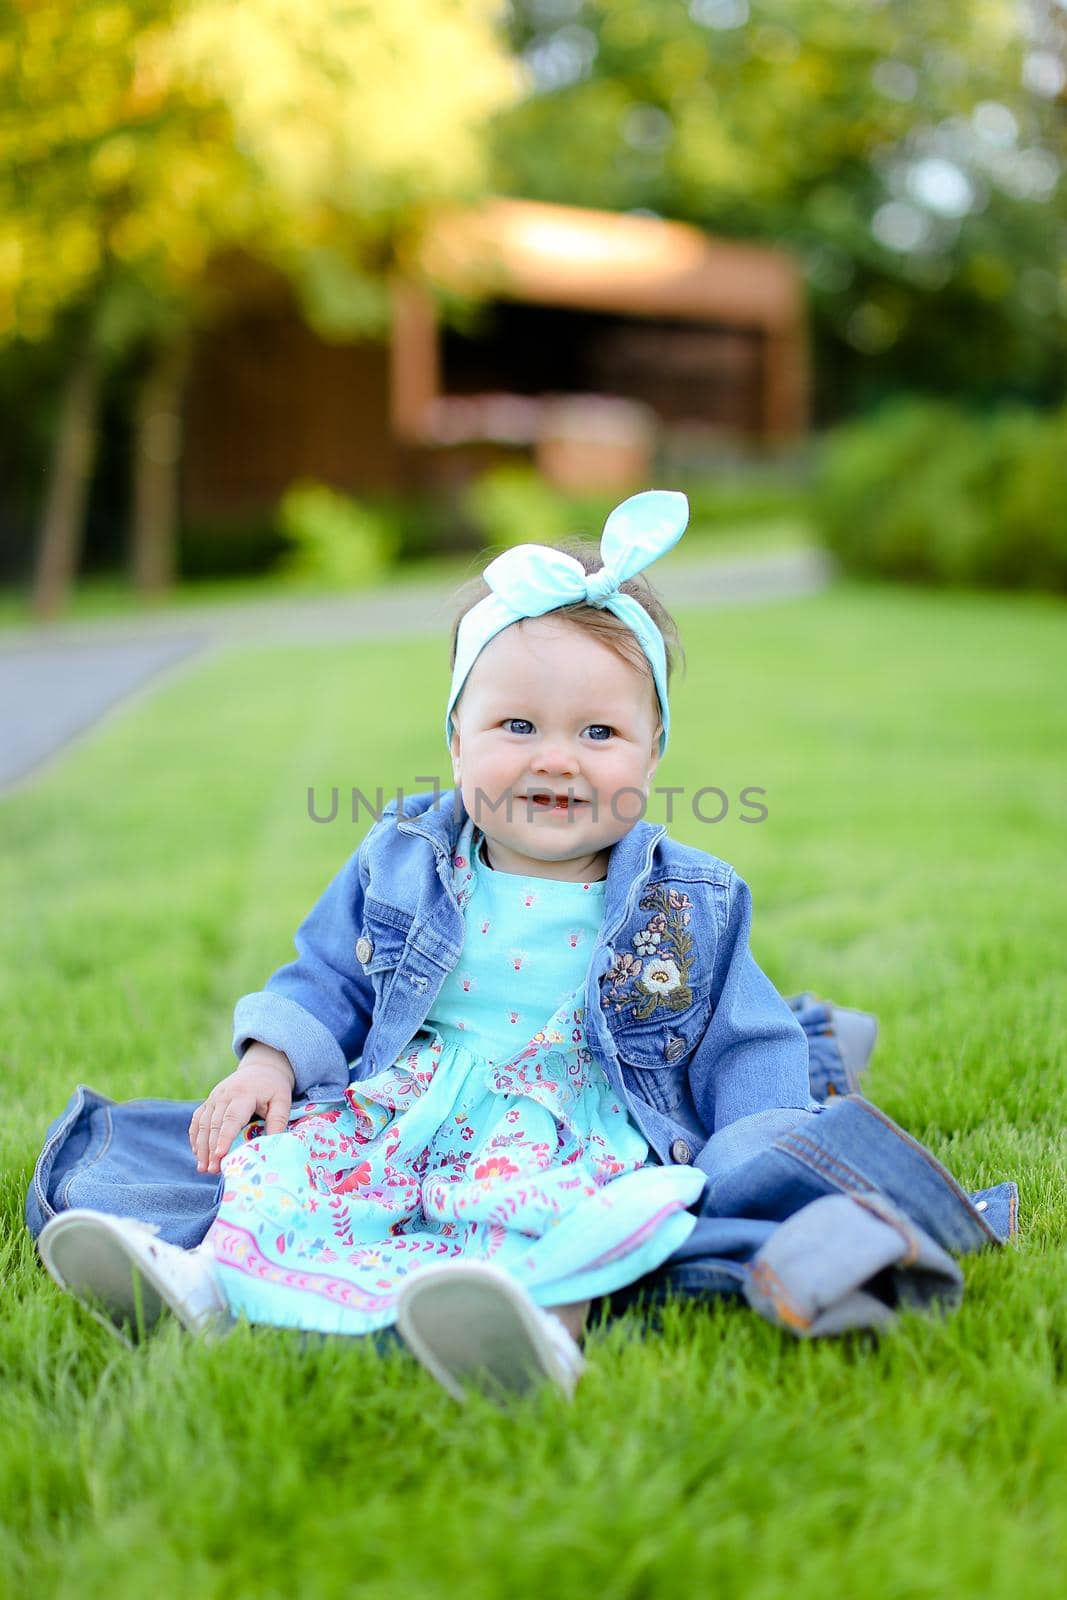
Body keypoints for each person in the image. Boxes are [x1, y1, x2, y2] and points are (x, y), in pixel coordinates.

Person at [32, 490, 1016, 1400]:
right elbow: (328, 973)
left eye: (597, 732)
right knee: (286, 1162)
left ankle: (537, 1327)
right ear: (456, 741)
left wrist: (760, 1151)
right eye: (516, 724)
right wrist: (268, 1059)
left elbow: (744, 1037)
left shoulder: (685, 899)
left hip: (571, 1114)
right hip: (409, 1099)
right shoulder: (405, 855)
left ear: (651, 754)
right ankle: (203, 1280)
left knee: (555, 1205)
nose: (555, 757)